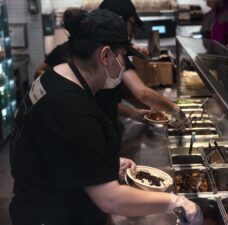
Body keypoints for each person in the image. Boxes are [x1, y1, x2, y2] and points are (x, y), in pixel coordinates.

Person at [9, 9, 202, 225]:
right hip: (51, 215)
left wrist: (106, 163)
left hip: (41, 203)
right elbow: (111, 199)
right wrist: (176, 201)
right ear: (105, 55)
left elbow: (62, 147)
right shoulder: (72, 109)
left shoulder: (56, 77)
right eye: (122, 56)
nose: (123, 64)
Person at [34, 0, 186, 129]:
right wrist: (174, 109)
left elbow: (105, 102)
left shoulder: (89, 71)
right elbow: (141, 93)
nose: (132, 33)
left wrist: (135, 113)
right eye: (131, 25)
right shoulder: (73, 104)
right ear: (105, 55)